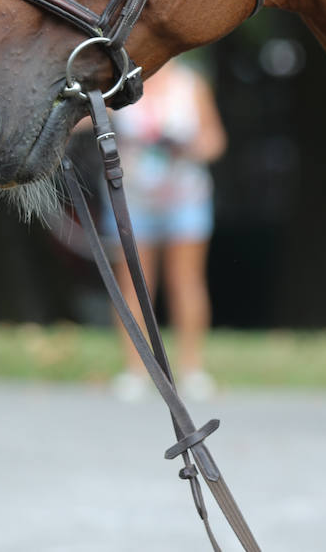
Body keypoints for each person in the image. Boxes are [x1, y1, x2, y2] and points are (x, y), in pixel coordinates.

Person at [105, 55, 227, 403]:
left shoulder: (191, 85)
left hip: (186, 198)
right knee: (134, 283)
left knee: (185, 281)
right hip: (131, 201)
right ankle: (135, 370)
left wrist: (188, 147)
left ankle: (191, 368)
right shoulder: (119, 85)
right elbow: (89, 122)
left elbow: (215, 140)